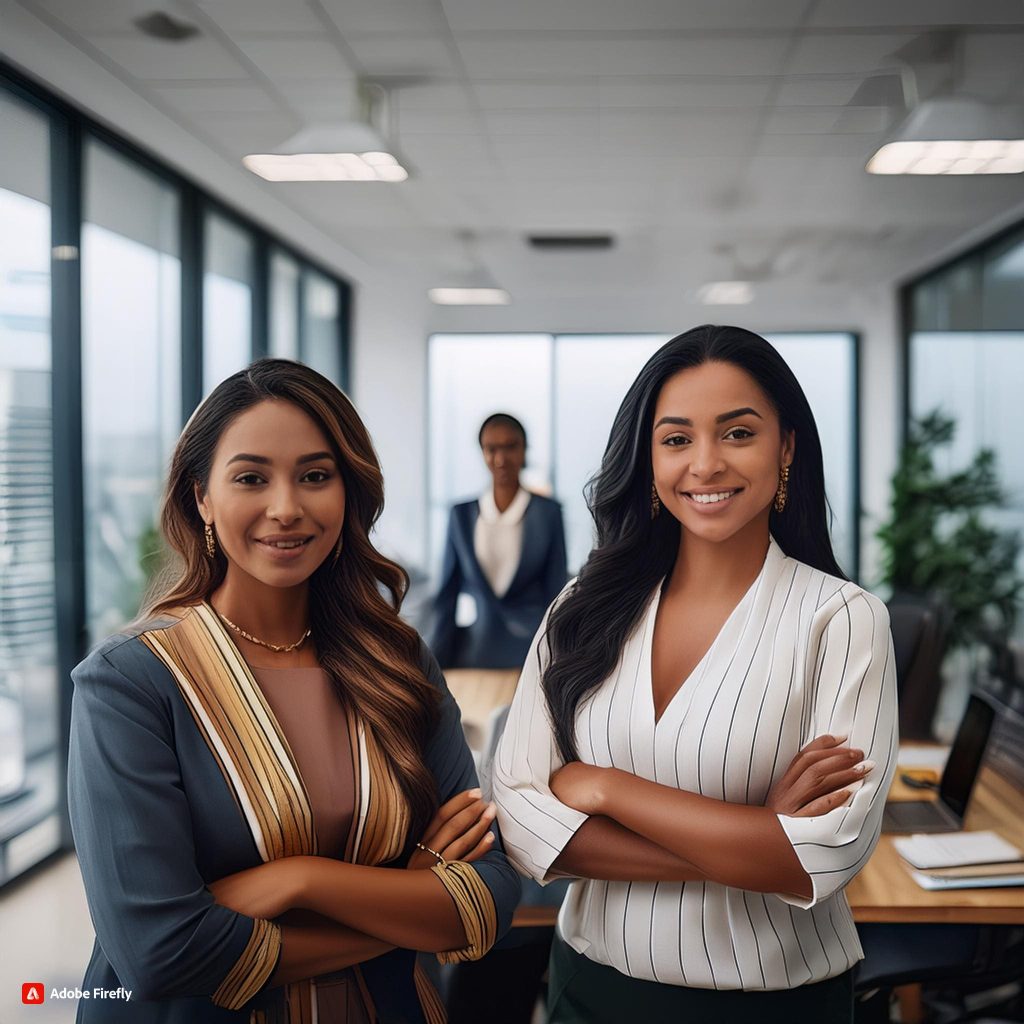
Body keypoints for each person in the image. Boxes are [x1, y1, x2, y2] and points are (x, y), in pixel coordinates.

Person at [67, 358, 521, 1023]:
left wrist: (295, 880)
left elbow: (492, 895)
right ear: (201, 498)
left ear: (348, 493)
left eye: (315, 476)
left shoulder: (397, 661)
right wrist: (413, 899)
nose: (287, 508)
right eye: (251, 477)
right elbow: (160, 949)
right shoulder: (130, 681)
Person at [493, 325, 898, 1024]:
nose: (705, 464)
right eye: (677, 439)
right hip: (590, 991)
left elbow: (817, 859)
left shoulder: (843, 620)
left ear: (788, 446)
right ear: (648, 460)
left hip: (777, 1006)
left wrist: (604, 787)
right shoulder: (582, 609)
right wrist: (751, 837)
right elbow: (525, 826)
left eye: (737, 433)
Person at [428, 413, 567, 669]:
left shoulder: (548, 513)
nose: (501, 459)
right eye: (491, 449)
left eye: (510, 447)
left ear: (524, 450)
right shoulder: (461, 516)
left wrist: (558, 658)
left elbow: (556, 591)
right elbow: (447, 596)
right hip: (475, 651)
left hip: (532, 651)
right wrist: (434, 664)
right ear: (482, 452)